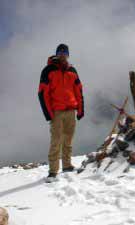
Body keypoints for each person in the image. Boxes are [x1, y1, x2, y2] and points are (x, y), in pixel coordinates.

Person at [38, 44, 84, 181]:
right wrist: (48, 113)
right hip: (56, 112)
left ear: (68, 54)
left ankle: (67, 165)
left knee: (68, 140)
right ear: (57, 54)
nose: (63, 54)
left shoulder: (72, 70)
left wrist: (80, 110)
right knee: (56, 141)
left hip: (71, 111)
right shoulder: (48, 70)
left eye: (65, 52)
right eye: (60, 52)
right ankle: (53, 171)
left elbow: (79, 91)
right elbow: (42, 93)